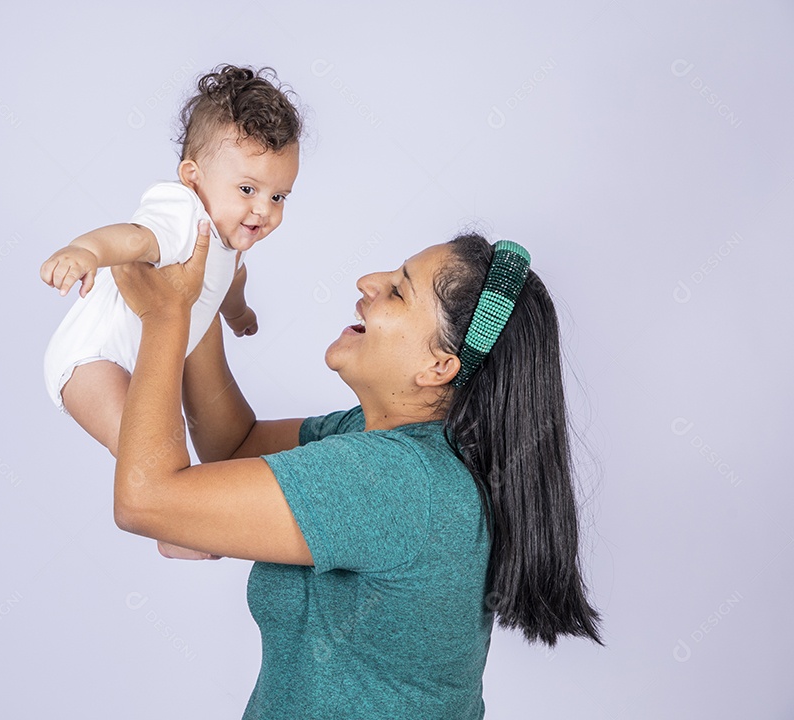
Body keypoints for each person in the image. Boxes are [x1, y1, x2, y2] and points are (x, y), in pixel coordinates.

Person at [109, 222, 603, 718]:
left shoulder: (398, 479)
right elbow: (234, 445)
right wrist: (201, 300)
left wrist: (165, 318)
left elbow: (143, 499)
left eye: (397, 291)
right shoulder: (383, 439)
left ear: (439, 367)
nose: (368, 280)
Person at [39, 65, 302, 458]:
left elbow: (232, 278)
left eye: (278, 197)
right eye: (247, 189)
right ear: (192, 177)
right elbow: (135, 238)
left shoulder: (231, 237)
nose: (263, 210)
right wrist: (88, 250)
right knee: (151, 455)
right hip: (93, 359)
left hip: (140, 364)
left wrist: (238, 314)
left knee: (165, 450)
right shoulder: (182, 210)